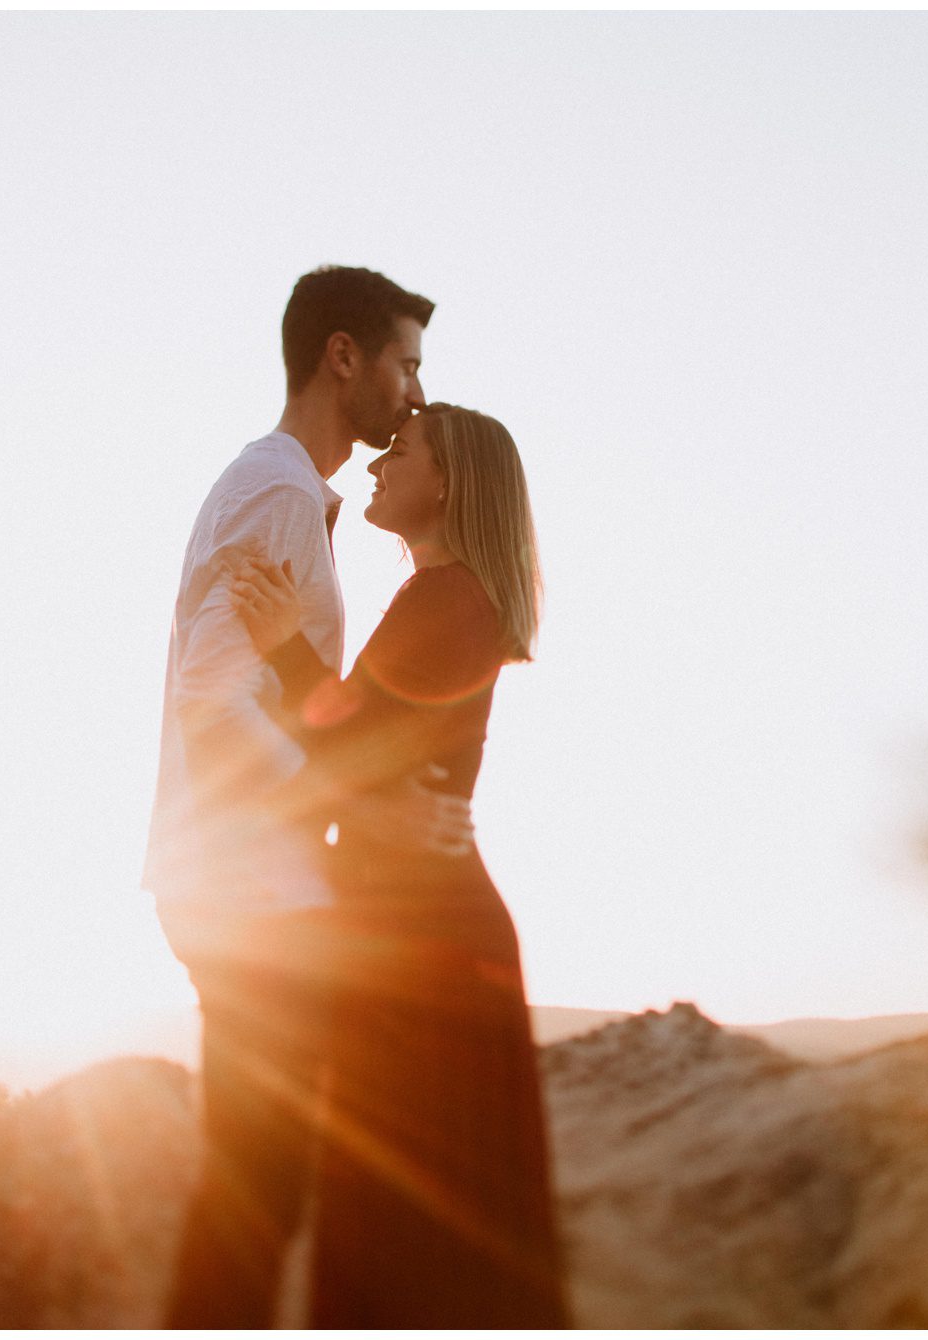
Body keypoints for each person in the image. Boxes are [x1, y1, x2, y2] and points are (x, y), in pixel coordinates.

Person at [144, 265, 477, 1328]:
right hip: (248, 888)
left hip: (258, 882)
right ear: (345, 358)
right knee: (257, 1198)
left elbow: (267, 692)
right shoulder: (278, 493)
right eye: (406, 363)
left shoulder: (286, 493)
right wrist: (354, 809)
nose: (415, 394)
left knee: (267, 1190)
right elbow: (210, 697)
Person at [226, 403, 569, 1327]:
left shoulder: (450, 600)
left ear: (448, 481)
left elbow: (348, 751)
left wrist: (283, 649)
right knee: (411, 1236)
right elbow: (371, 761)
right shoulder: (444, 599)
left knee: (411, 1239)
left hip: (430, 944)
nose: (379, 465)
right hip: (415, 927)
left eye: (401, 453)